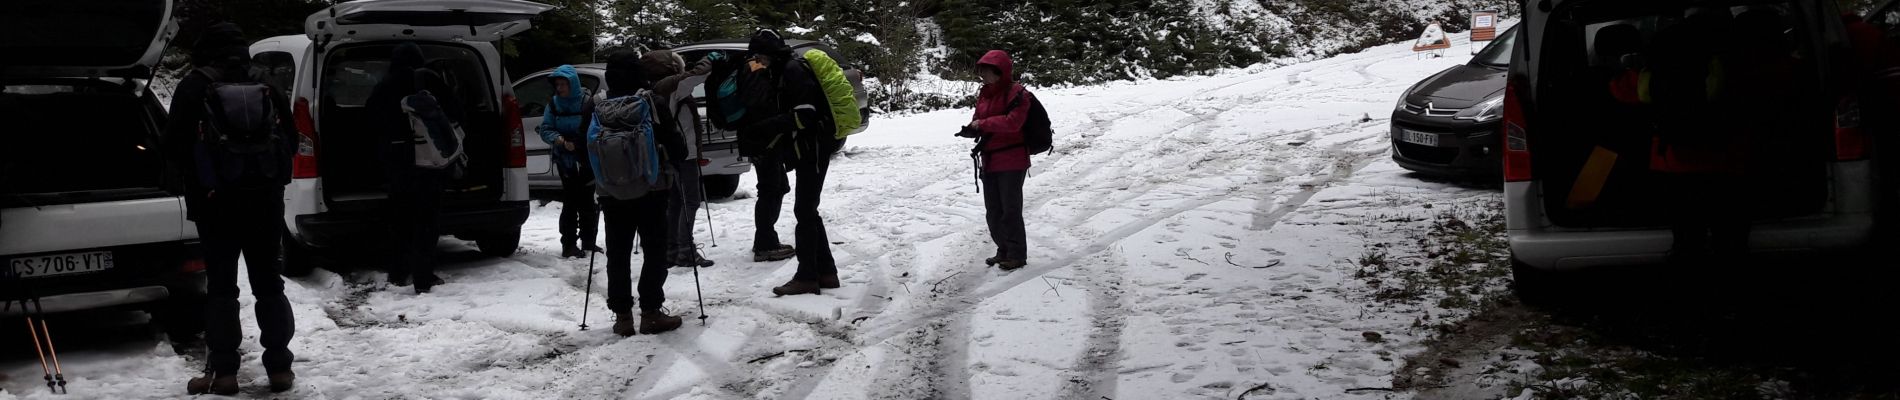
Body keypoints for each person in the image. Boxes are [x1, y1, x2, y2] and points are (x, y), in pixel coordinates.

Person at [168, 22, 299, 395]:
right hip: (264, 202)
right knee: (269, 285)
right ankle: (279, 369)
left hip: (216, 205)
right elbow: (289, 142)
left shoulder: (194, 86)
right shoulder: (267, 85)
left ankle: (224, 374)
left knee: (222, 289)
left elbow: (174, 147)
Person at [738, 30, 843, 296]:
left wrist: (763, 128)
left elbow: (805, 116)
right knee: (808, 210)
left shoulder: (793, 70)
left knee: (805, 211)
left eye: (758, 56)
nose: (756, 61)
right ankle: (827, 272)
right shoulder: (783, 68)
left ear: (768, 53)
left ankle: (807, 276)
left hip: (814, 146)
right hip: (809, 147)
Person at [592, 51, 686, 335]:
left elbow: (586, 149)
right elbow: (678, 148)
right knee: (654, 249)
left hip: (611, 192)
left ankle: (622, 317)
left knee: (617, 252)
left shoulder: (596, 106)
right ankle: (651, 312)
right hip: (652, 188)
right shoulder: (652, 103)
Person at [366, 42, 451, 293]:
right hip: (428, 160)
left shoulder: (383, 86)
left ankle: (398, 271)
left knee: (400, 217)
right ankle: (423, 278)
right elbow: (455, 111)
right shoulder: (429, 81)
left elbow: (370, 120)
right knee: (427, 219)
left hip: (397, 162)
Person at [640, 50, 718, 269]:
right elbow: (699, 75)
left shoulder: (653, 86)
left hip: (666, 151)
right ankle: (685, 250)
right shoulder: (671, 84)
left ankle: (672, 249)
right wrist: (710, 58)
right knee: (690, 201)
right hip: (683, 152)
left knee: (675, 200)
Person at [959, 50, 1034, 271]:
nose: (981, 74)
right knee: (993, 211)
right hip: (990, 159)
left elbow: (1013, 124)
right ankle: (1003, 250)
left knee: (1010, 210)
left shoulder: (1018, 93)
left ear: (999, 72)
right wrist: (972, 129)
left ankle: (1017, 254)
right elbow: (979, 119)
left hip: (1012, 159)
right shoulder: (986, 93)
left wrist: (982, 125)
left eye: (985, 70)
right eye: (980, 70)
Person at [537, 65, 601, 258]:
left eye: (564, 84)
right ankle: (569, 244)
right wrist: (560, 140)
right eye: (558, 84)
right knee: (571, 200)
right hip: (565, 159)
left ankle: (589, 241)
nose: (560, 88)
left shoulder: (586, 102)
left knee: (588, 200)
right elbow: (545, 129)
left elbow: (596, 126)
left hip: (586, 158)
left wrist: (582, 143)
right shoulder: (554, 105)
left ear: (572, 84)